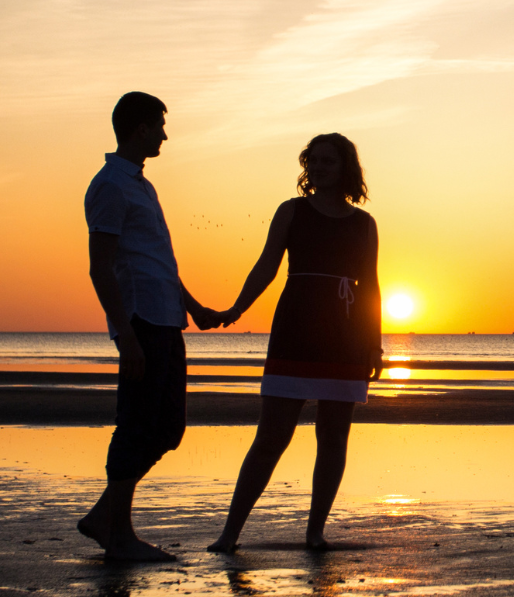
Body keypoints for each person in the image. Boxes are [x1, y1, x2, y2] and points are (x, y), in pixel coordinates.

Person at [206, 133, 383, 552]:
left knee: (334, 439)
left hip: (345, 335)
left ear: (346, 169)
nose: (319, 168)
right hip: (296, 328)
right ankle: (229, 535)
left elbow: (373, 285)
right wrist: (236, 309)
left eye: (329, 161)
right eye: (313, 160)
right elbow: (267, 265)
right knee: (270, 438)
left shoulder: (364, 223)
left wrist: (374, 344)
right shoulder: (292, 211)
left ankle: (315, 532)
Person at [78, 91, 219, 561]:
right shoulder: (110, 186)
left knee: (168, 430)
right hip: (141, 322)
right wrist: (125, 337)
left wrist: (194, 307)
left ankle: (105, 517)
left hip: (167, 319)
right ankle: (120, 537)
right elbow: (102, 267)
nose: (164, 133)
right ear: (139, 128)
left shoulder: (142, 185)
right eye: (159, 124)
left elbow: (158, 260)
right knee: (135, 427)